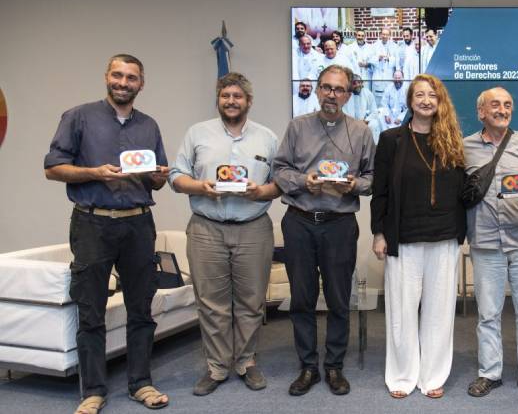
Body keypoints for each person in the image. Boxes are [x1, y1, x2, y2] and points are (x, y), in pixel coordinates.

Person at [44, 54, 170, 414]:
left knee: (141, 307)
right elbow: (53, 169)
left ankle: (140, 383)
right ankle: (93, 391)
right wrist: (95, 173)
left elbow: (155, 181)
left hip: (138, 223)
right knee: (91, 310)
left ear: (140, 84)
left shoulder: (149, 125)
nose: (123, 82)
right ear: (106, 77)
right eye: (118, 75)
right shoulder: (79, 116)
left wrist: (159, 177)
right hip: (92, 223)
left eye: (131, 77)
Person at [168, 72, 281, 396]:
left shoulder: (267, 138)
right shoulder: (197, 134)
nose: (231, 101)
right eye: (225, 96)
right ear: (218, 99)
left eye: (237, 96)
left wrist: (260, 192)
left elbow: (279, 183)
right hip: (206, 228)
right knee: (212, 303)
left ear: (248, 101)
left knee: (251, 301)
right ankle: (217, 367)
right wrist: (200, 187)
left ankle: (246, 362)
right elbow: (176, 176)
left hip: (253, 228)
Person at [273, 64, 375, 397]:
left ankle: (333, 367)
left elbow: (373, 179)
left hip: (340, 225)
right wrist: (305, 181)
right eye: (326, 87)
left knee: (338, 300)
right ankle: (307, 367)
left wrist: (353, 185)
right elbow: (279, 171)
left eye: (339, 89)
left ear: (348, 94)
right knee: (301, 299)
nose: (332, 94)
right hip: (300, 221)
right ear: (317, 90)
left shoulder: (361, 131)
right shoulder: (297, 127)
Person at [371, 73, 466, 399]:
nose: (426, 100)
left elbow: (462, 190)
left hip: (444, 237)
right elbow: (379, 192)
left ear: (441, 102)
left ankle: (432, 376)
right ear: (410, 100)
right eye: (420, 94)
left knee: (439, 313)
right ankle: (401, 376)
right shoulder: (391, 139)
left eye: (433, 95)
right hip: (404, 238)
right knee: (401, 312)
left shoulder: (452, 141)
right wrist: (379, 233)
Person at [463, 86, 518, 402]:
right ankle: (490, 373)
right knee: (488, 313)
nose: (502, 109)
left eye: (508, 105)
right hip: (485, 241)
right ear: (481, 112)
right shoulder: (464, 148)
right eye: (495, 105)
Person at [343, 74, 380, 143]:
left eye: (359, 82)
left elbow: (375, 111)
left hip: (365, 122)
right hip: (350, 123)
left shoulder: (367, 93)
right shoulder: (345, 95)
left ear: (362, 83)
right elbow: (343, 113)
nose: (357, 85)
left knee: (374, 124)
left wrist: (365, 121)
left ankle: (375, 149)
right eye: (354, 83)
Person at [370, 28, 398, 105]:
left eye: (386, 34)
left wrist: (389, 58)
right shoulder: (374, 46)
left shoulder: (394, 46)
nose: (385, 36)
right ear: (380, 35)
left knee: (389, 97)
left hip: (388, 75)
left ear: (389, 35)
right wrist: (378, 58)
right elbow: (370, 59)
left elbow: (397, 61)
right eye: (383, 34)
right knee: (377, 99)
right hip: (378, 75)